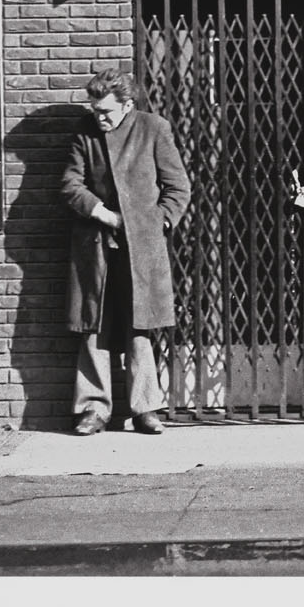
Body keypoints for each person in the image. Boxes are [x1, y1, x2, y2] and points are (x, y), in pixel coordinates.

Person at [62, 68, 191, 436]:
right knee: (93, 324)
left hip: (142, 245)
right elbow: (71, 184)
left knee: (140, 325)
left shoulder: (153, 128)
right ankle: (93, 409)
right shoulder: (85, 132)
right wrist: (102, 214)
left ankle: (145, 408)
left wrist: (156, 224)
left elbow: (178, 187)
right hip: (96, 244)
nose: (98, 117)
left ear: (128, 105)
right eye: (94, 109)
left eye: (106, 111)